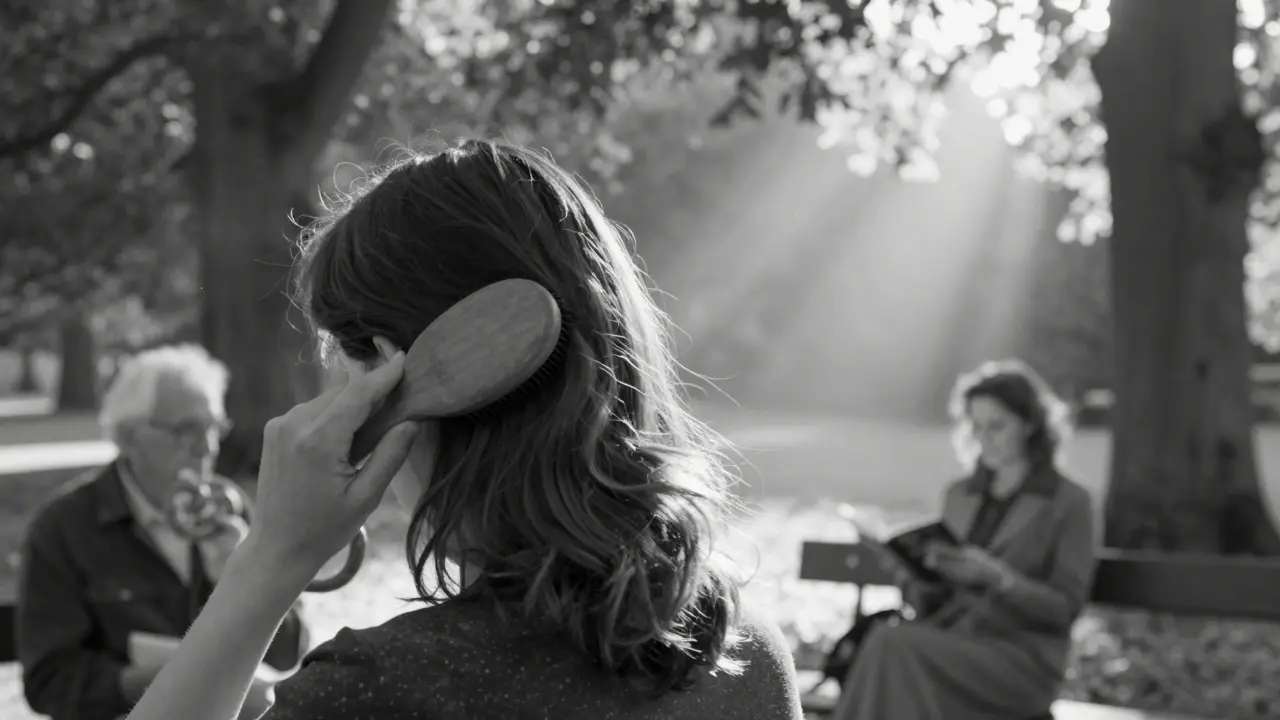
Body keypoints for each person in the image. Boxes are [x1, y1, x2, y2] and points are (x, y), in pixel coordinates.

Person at [123, 140, 804, 720]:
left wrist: (269, 559)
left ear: (393, 380)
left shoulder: (380, 689)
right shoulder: (748, 656)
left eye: (345, 358)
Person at [17, 345, 309, 720]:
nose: (206, 448)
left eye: (214, 427)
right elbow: (50, 683)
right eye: (186, 430)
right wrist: (159, 681)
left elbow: (289, 652)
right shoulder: (64, 529)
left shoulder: (231, 511)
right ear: (128, 437)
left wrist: (246, 579)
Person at [833, 359, 1096, 720]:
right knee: (890, 642)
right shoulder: (960, 494)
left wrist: (998, 579)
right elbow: (935, 604)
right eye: (976, 427)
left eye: (997, 427)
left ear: (1032, 424)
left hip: (1020, 659)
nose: (984, 439)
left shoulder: (1069, 503)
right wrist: (910, 574)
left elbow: (1064, 610)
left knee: (894, 646)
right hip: (950, 641)